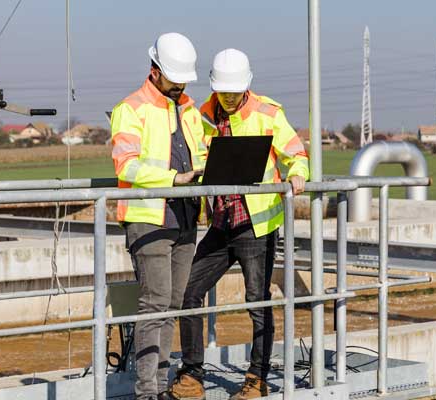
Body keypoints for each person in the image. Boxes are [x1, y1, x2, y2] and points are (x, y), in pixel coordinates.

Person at [171, 48, 309, 400]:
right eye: (224, 93)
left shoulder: (267, 112)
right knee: (189, 294)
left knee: (257, 302)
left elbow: (296, 152)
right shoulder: (201, 113)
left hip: (255, 225)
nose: (229, 99)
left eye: (235, 93)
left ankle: (256, 379)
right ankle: (191, 376)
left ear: (246, 87)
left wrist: (297, 174)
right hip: (220, 224)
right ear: (216, 89)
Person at [110, 32, 206, 400]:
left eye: (184, 78)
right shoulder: (130, 109)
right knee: (156, 303)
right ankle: (146, 392)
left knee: (173, 305)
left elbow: (197, 156)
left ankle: (163, 386)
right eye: (174, 77)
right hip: (149, 218)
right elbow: (127, 166)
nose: (180, 84)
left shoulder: (191, 110)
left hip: (184, 217)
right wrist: (171, 178)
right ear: (155, 70)